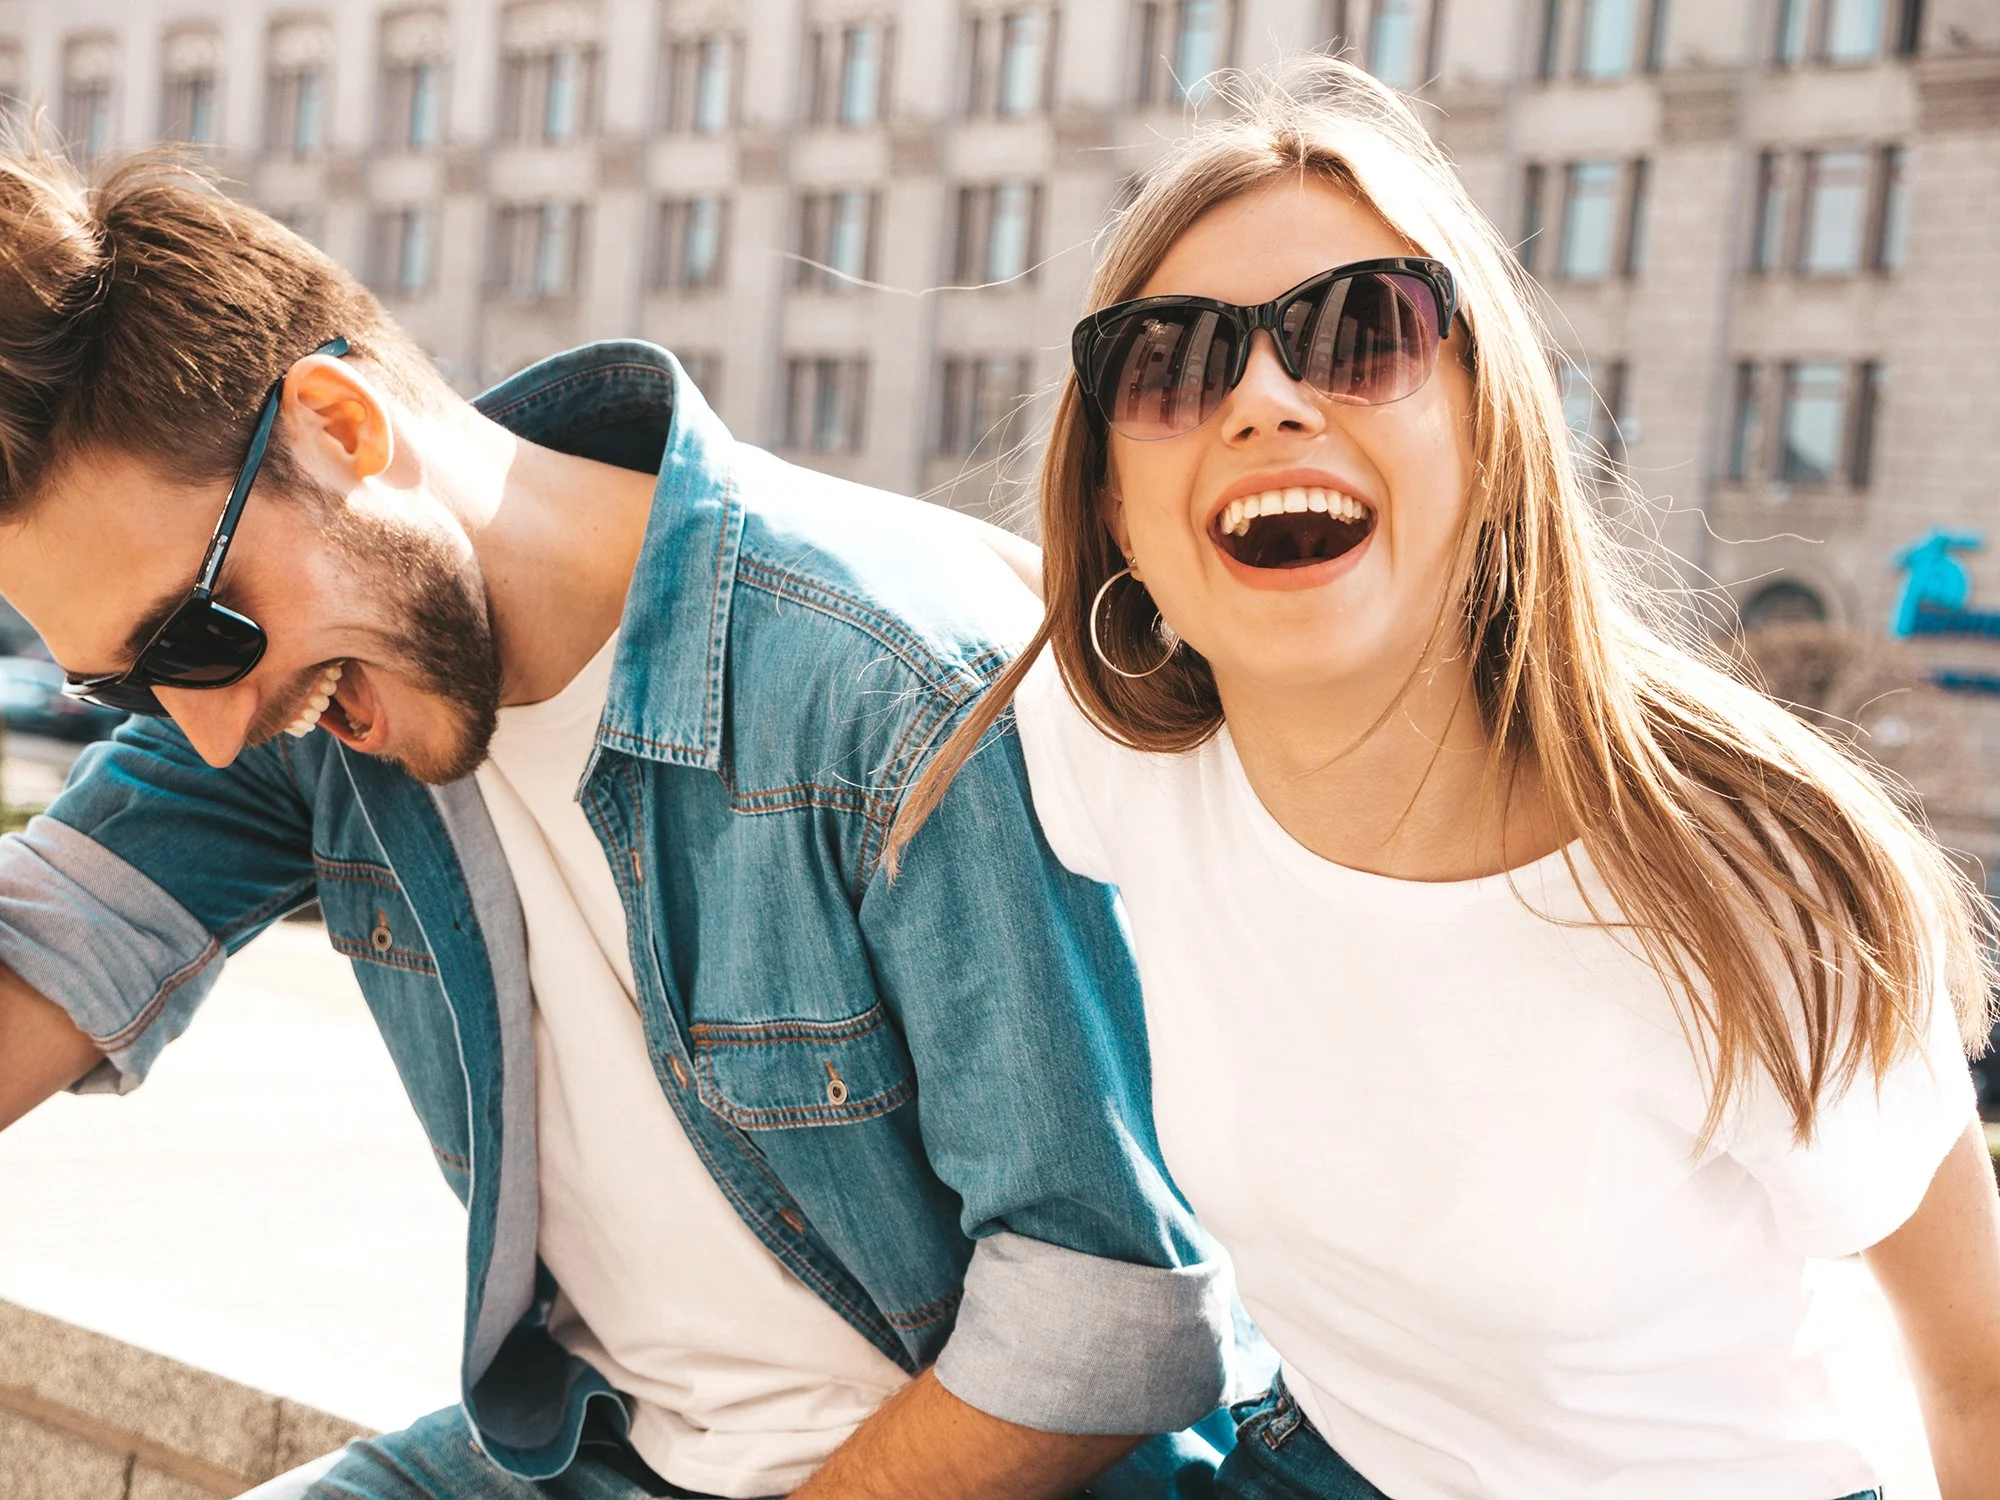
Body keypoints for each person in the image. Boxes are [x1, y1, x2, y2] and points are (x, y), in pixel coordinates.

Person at [0, 151, 1243, 1499]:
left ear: (342, 430)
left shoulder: (886, 681)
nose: (209, 725)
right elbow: (49, 953)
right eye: (129, 678)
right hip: (602, 1451)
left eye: (196, 634)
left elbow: (1109, 1319)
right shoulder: (304, 696)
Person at [892, 60, 2000, 1500]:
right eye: (1170, 360)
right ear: (1115, 509)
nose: (1269, 397)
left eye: (1362, 333)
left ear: (1490, 437)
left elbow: (1979, 1371)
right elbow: (908, 568)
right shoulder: (1116, 759)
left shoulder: (1760, 880)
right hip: (1317, 1463)